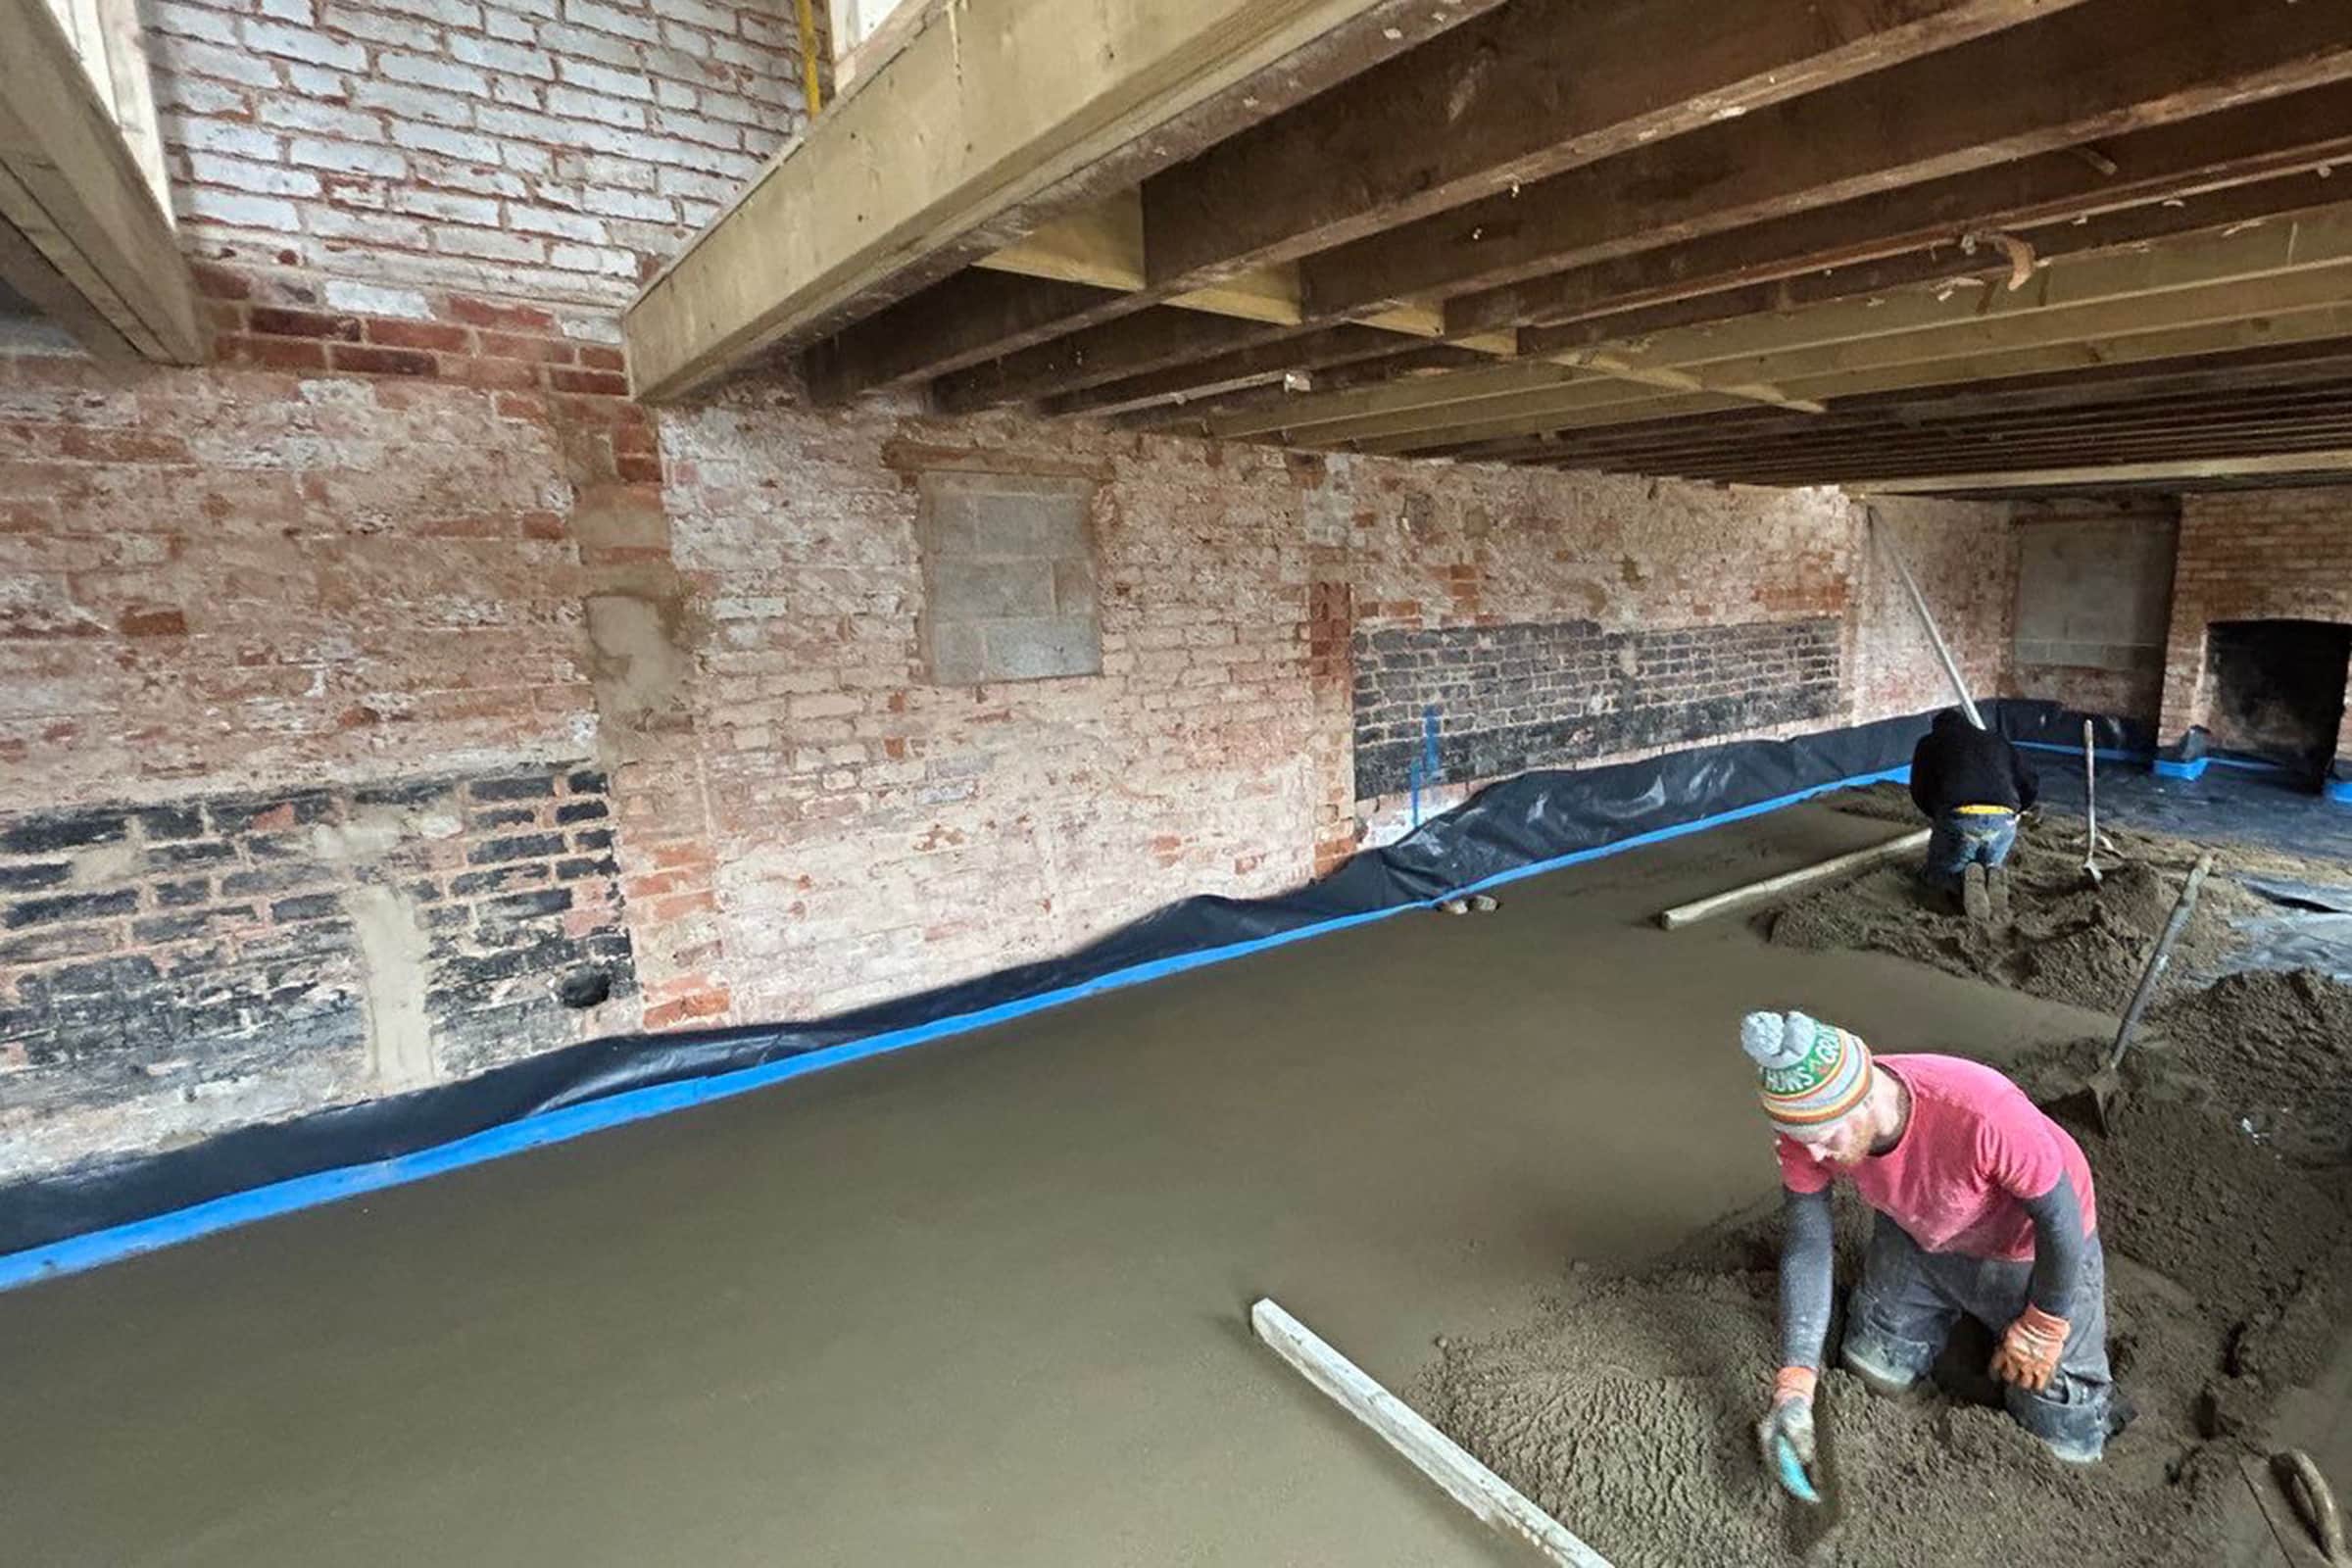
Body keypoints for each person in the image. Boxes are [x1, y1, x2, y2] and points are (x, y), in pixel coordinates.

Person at [1742, 1008, 2114, 1483]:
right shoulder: (1806, 1127)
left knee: (2062, 1435)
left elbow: (2059, 1217)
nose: (1814, 1154)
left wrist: (2044, 1323)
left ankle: (2077, 1388)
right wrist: (1795, 1382)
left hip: (2032, 1246)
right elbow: (1808, 1243)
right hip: (1921, 1229)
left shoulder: (1979, 1109)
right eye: (1801, 1140)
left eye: (1823, 1138)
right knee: (1873, 1365)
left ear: (1865, 1098)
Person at [1909, 709, 2038, 914]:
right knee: (1990, 857)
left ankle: (1958, 882)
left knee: (1938, 874)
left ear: (1936, 727)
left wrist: (1938, 815)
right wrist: (2017, 811)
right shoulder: (1998, 741)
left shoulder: (1930, 743)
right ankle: (1990, 872)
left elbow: (1919, 788)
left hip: (1960, 818)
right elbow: (2029, 781)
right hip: (2003, 822)